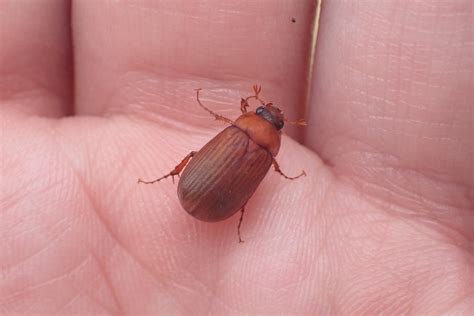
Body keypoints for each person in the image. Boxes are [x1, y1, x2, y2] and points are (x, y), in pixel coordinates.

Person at [1, 1, 472, 314]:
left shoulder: (243, 131)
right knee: (217, 167)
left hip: (206, 193)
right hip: (215, 200)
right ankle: (213, 201)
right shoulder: (266, 151)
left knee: (196, 154)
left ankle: (183, 187)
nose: (272, 114)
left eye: (271, 115)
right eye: (269, 113)